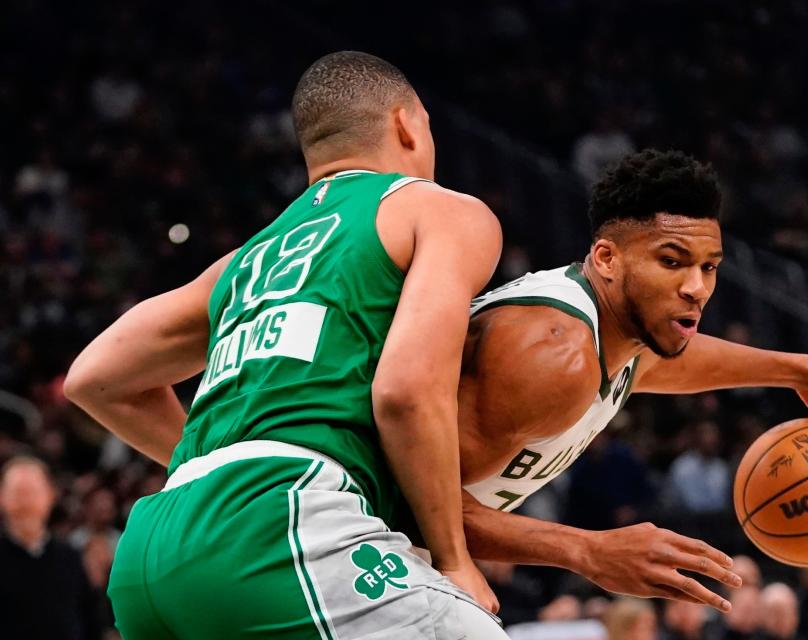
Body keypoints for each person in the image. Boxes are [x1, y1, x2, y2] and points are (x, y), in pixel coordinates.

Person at [64, 51, 507, 639]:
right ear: (407, 123)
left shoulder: (245, 260)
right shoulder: (440, 210)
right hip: (282, 523)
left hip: (153, 547)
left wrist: (224, 470)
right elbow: (405, 390)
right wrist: (454, 560)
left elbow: (92, 378)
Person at [456, 150, 808, 611]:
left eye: (708, 267)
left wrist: (805, 370)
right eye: (672, 261)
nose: (697, 288)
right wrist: (587, 551)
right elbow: (404, 494)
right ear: (606, 257)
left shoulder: (615, 332)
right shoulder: (555, 357)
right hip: (379, 534)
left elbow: (665, 363)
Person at [0, 456, 105, 639]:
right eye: (18, 492)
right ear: (2, 497)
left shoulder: (71, 558)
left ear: (51, 494)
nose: (26, 502)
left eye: (32, 492)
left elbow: (92, 622)